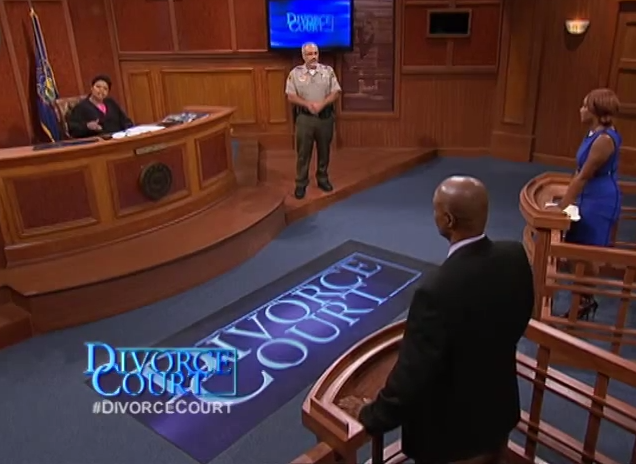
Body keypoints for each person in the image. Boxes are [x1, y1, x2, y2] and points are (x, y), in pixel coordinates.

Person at [339, 176, 535, 464]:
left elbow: (411, 378)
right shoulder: (515, 255)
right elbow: (519, 319)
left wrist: (370, 416)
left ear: (448, 220)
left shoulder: (435, 291)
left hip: (451, 441)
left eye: (435, 209)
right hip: (499, 414)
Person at [555, 88, 622, 320]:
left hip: (600, 200)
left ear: (596, 111)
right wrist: (567, 199)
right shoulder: (593, 133)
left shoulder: (604, 140)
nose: (581, 109)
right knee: (575, 249)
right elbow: (579, 170)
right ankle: (584, 300)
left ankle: (584, 303)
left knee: (586, 252)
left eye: (585, 106)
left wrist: (562, 207)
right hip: (588, 195)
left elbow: (583, 176)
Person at [285, 43, 341, 200]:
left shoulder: (328, 71)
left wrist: (322, 104)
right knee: (303, 153)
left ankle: (322, 178)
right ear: (303, 56)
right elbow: (290, 96)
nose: (313, 57)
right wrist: (307, 104)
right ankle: (301, 183)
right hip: (305, 119)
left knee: (324, 151)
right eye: (309, 54)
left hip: (325, 118)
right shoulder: (295, 73)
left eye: (315, 53)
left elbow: (336, 92)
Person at [67, 75, 133, 138]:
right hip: (98, 142)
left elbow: (126, 121)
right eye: (98, 87)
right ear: (91, 88)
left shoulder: (111, 103)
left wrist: (129, 131)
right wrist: (87, 126)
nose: (101, 90)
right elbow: (73, 130)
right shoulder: (81, 107)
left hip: (119, 139)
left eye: (105, 89)